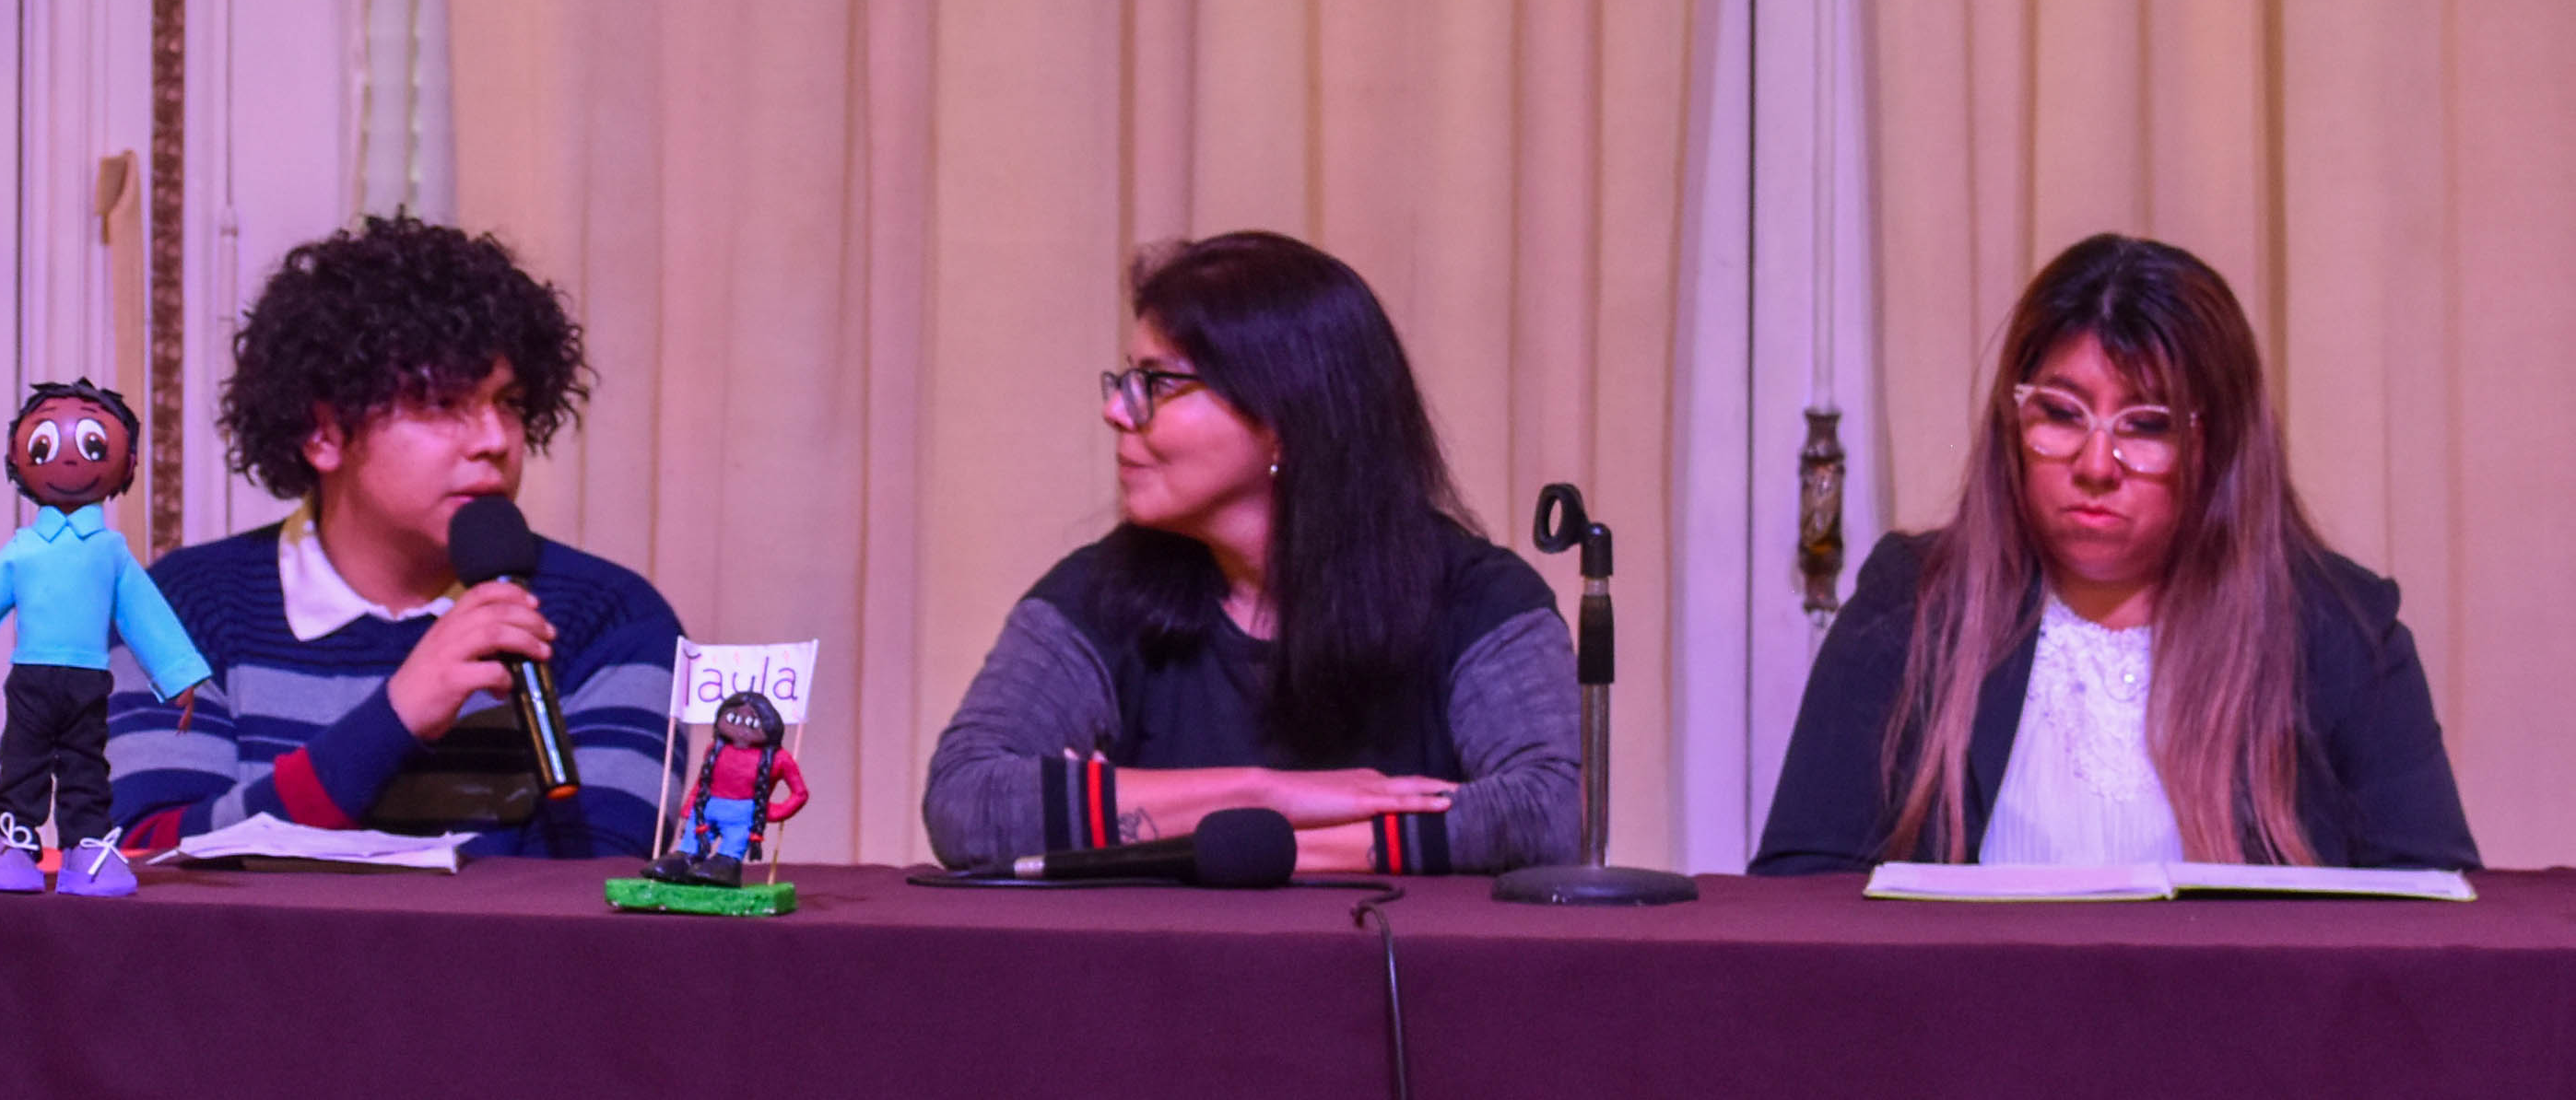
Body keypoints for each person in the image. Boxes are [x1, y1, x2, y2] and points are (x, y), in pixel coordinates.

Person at [1752, 233, 2477, 873]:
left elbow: (2436, 918)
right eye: (2061, 413)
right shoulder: (1913, 606)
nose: (2096, 464)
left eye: (2147, 424)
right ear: (2014, 421)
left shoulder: (2341, 630)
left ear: (2220, 445)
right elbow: (1803, 896)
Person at [923, 231, 1580, 875]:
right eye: (1125, 379)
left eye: (1156, 382)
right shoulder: (1097, 593)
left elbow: (1550, 810)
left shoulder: (1481, 599)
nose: (1116, 410)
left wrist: (1235, 840)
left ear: (1284, 421)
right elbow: (966, 800)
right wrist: (1263, 794)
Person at [107, 216, 682, 860]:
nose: (496, 439)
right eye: (443, 405)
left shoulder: (611, 620)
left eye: (510, 403)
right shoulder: (181, 609)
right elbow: (153, 860)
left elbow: (601, 882)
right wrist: (397, 716)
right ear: (323, 432)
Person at [0, 380, 211, 895]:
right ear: (16, 457)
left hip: (89, 681)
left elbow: (147, 615)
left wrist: (178, 674)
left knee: (85, 765)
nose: (71, 459)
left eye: (93, 445)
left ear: (129, 463)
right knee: (21, 761)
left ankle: (86, 846)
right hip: (30, 678)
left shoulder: (110, 552)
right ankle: (9, 840)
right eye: (44, 444)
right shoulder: (23, 548)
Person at [650, 689, 808, 885]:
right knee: (691, 845)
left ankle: (725, 865)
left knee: (730, 852)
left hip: (742, 815)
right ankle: (685, 861)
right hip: (705, 810)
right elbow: (702, 781)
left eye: (752, 723)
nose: (741, 729)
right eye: (733, 719)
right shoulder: (715, 749)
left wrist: (770, 811)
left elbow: (800, 793)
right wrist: (688, 810)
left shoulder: (779, 758)